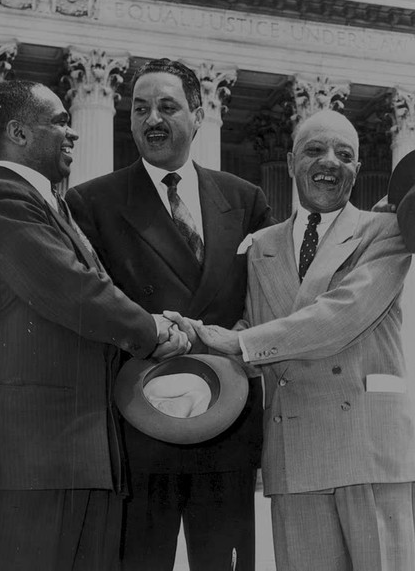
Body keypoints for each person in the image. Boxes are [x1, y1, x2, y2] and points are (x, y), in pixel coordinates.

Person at [0, 79, 188, 571]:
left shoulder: (52, 206)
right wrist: (154, 331)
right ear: (19, 132)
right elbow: (76, 292)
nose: (73, 132)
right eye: (59, 121)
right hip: (26, 460)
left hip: (77, 452)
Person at [181, 110, 415, 571]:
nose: (330, 162)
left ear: (357, 169)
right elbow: (251, 330)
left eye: (345, 155)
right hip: (295, 453)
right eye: (315, 150)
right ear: (289, 163)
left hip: (367, 446)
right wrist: (195, 337)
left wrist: (241, 344)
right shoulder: (260, 245)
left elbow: (342, 316)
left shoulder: (387, 231)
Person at [66, 58, 271, 571]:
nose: (151, 119)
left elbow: (266, 302)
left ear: (199, 114)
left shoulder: (245, 200)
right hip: (139, 430)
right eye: (139, 109)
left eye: (167, 106)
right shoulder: (90, 203)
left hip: (225, 429)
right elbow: (88, 310)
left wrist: (244, 335)